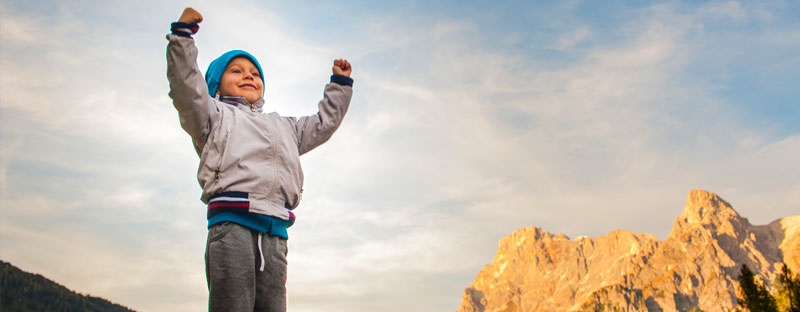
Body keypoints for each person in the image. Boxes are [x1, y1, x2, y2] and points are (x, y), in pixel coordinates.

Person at [166, 7, 353, 312]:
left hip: (275, 233)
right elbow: (186, 87)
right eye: (236, 71)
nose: (248, 76)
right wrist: (182, 36)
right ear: (215, 83)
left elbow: (322, 124)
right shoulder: (211, 116)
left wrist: (340, 85)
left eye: (254, 73)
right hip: (232, 225)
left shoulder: (283, 126)